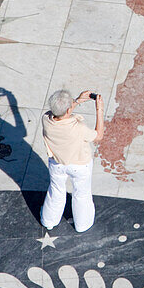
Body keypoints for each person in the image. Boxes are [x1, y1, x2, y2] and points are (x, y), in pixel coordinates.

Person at [39, 89, 104, 232]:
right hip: (80, 165)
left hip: (57, 164)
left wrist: (78, 101)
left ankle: (49, 221)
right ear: (69, 109)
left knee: (56, 191)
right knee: (81, 193)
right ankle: (82, 225)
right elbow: (98, 136)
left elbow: (61, 112)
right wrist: (99, 110)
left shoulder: (46, 119)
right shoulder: (78, 127)